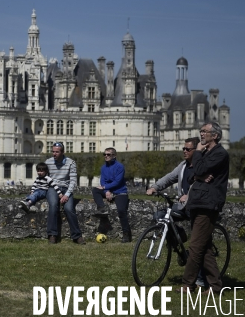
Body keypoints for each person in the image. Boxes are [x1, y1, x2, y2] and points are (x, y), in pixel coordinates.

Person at [147, 137, 209, 288]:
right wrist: (155, 187)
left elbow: (201, 184)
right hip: (182, 206)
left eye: (188, 149)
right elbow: (170, 177)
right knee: (159, 216)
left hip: (196, 207)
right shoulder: (183, 166)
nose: (184, 151)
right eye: (184, 149)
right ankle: (180, 242)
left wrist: (189, 195)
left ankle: (200, 279)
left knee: (197, 245)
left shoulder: (202, 166)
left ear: (197, 151)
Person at [179, 122, 229, 295]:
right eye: (201, 131)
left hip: (208, 204)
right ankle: (215, 286)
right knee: (204, 247)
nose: (201, 134)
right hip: (198, 202)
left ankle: (188, 284)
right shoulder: (208, 153)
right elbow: (194, 174)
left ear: (215, 136)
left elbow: (198, 167)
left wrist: (198, 153)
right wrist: (200, 175)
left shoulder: (220, 154)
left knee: (195, 247)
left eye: (205, 132)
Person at [45, 142, 85, 245]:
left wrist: (67, 194)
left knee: (69, 209)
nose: (54, 154)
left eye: (57, 152)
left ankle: (77, 235)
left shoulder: (71, 163)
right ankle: (52, 235)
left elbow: (73, 181)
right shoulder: (48, 162)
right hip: (53, 188)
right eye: (53, 151)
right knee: (53, 205)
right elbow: (45, 178)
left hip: (66, 188)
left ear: (62, 152)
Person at [93, 147, 132, 242]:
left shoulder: (120, 167)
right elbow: (102, 181)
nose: (106, 156)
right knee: (95, 190)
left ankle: (126, 234)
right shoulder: (103, 167)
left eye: (108, 154)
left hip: (120, 192)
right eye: (104, 154)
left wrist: (106, 188)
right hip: (109, 190)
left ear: (114, 156)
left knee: (122, 211)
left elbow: (117, 182)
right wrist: (106, 191)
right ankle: (102, 208)